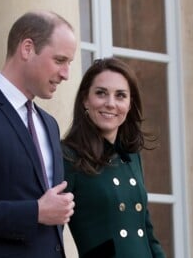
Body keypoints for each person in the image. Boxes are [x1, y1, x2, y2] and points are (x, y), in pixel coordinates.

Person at [0, 11, 77, 258]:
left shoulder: (50, 124)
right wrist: (34, 212)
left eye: (70, 63)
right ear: (27, 48)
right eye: (59, 60)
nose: (66, 74)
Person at [62, 57, 166, 258]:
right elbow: (50, 232)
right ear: (85, 99)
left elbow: (146, 231)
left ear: (129, 104)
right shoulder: (67, 155)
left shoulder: (131, 156)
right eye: (101, 93)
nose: (110, 104)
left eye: (120, 96)